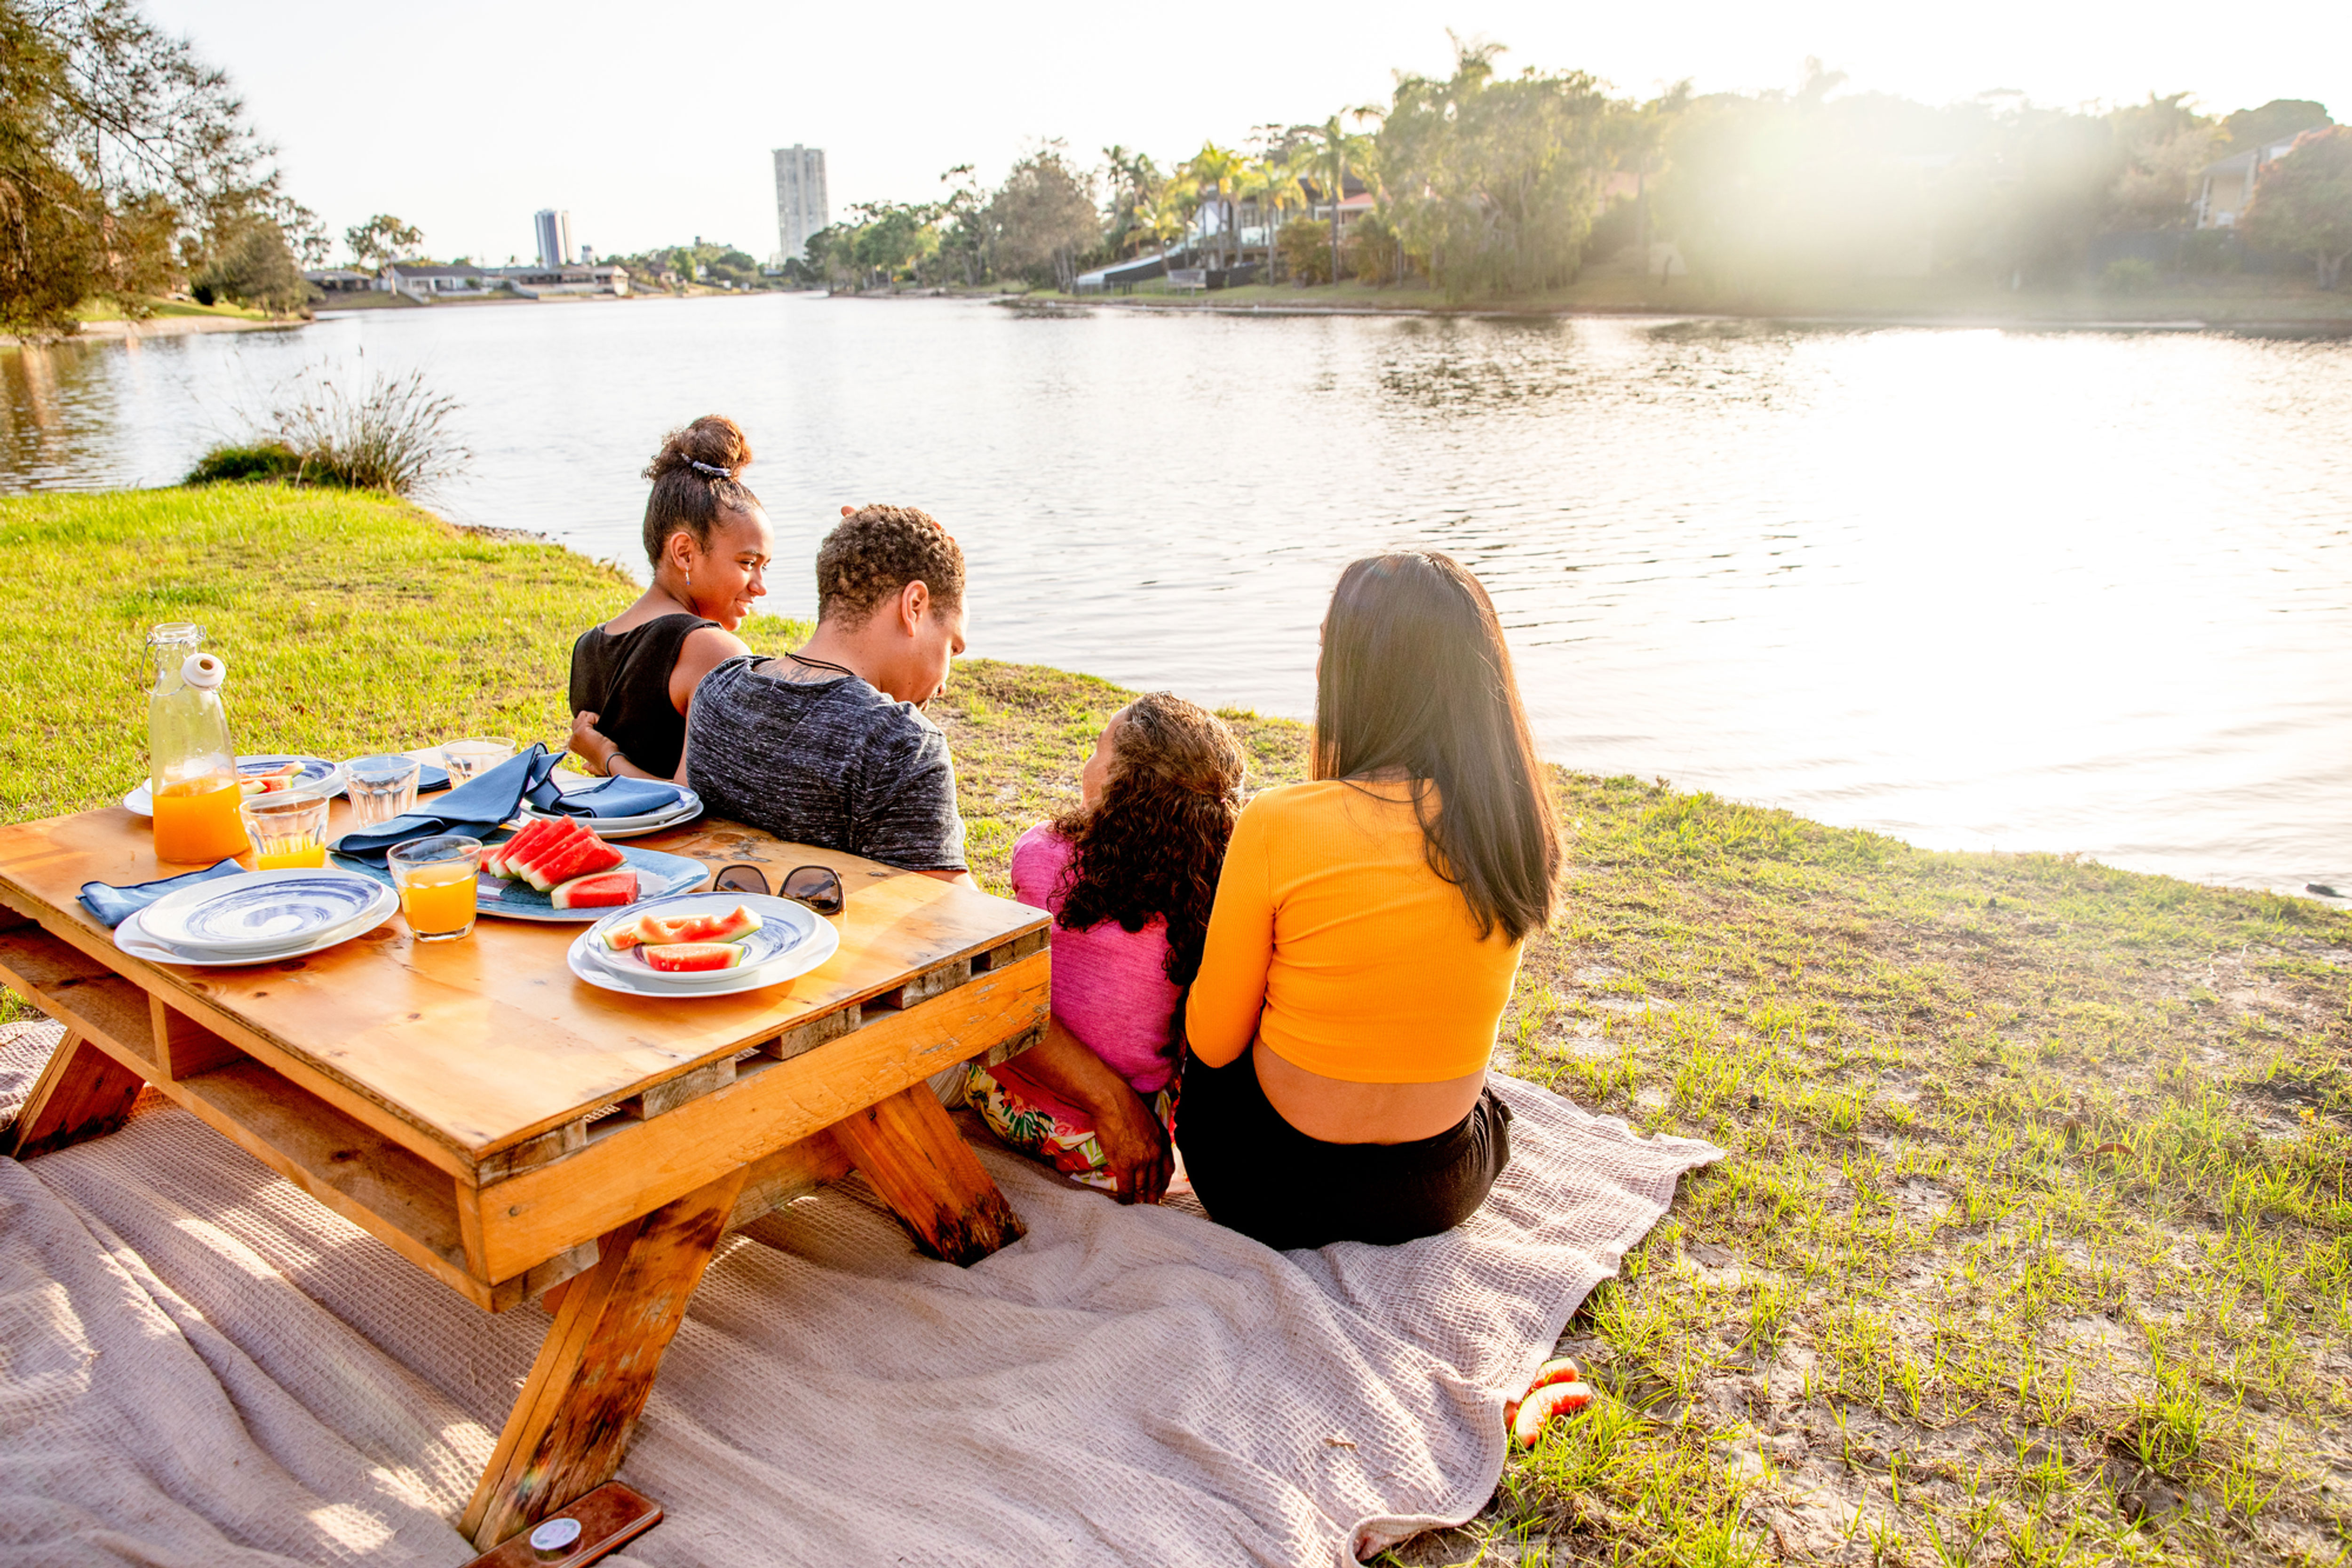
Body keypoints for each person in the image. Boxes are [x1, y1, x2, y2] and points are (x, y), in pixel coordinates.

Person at [1177, 551, 1562, 1250]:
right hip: (1440, 1190)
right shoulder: (1514, 827)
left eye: (1329, 651)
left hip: (1267, 1190)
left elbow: (1212, 1041)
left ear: (1359, 675)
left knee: (1207, 1048)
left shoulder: (1278, 821)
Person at [965, 694, 1246, 1203]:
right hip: (1106, 1154)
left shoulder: (1038, 853)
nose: (1085, 762)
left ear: (1121, 783)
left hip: (1003, 1105)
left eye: (1097, 749)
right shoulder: (1216, 887)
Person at [682, 503, 971, 882]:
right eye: (952, 646)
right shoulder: (899, 744)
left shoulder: (717, 690)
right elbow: (955, 917)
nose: (945, 682)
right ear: (914, 605)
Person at [568, 417, 771, 781]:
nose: (759, 586)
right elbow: (690, 800)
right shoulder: (714, 651)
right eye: (747, 563)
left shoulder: (587, 648)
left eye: (764, 568)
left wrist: (605, 761)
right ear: (684, 553)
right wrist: (609, 757)